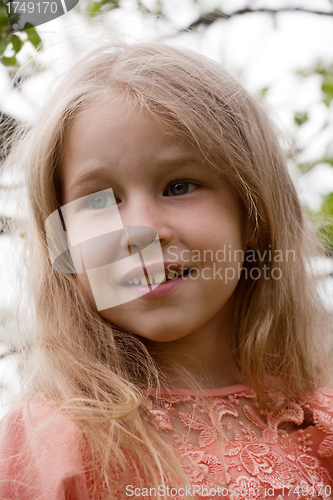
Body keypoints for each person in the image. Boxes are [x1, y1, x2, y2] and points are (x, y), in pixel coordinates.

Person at [0, 40, 333, 500]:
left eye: (179, 186)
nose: (141, 230)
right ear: (63, 246)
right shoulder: (41, 446)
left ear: (255, 215)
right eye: (100, 200)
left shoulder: (322, 429)